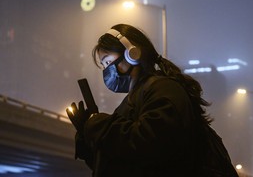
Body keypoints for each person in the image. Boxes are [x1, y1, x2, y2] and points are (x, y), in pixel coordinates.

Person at [66, 23, 239, 177]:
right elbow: (118, 162)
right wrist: (85, 134)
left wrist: (97, 124)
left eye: (107, 61)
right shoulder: (133, 100)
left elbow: (149, 145)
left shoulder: (164, 90)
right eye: (103, 66)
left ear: (131, 53)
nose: (106, 70)